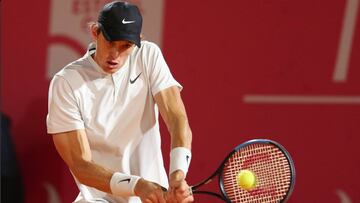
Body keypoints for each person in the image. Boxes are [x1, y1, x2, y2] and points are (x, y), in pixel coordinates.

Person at [46, 1, 193, 203]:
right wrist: (136, 185)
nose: (115, 55)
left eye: (125, 46)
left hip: (153, 196)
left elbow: (177, 119)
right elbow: (81, 165)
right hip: (100, 199)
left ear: (138, 42)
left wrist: (178, 173)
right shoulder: (66, 82)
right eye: (110, 42)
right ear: (95, 32)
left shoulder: (148, 56)